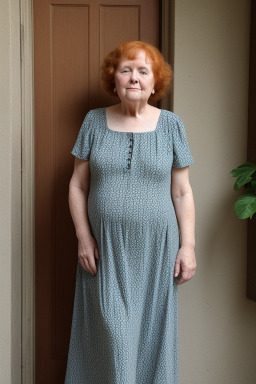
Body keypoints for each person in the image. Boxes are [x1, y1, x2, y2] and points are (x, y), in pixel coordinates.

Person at [65, 40, 196, 384]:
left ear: (155, 83)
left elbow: (182, 192)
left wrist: (188, 246)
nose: (134, 78)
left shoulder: (171, 125)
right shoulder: (93, 121)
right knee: (113, 336)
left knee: (152, 337)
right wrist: (83, 238)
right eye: (125, 70)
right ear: (114, 79)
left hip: (158, 250)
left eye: (142, 71)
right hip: (105, 249)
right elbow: (77, 185)